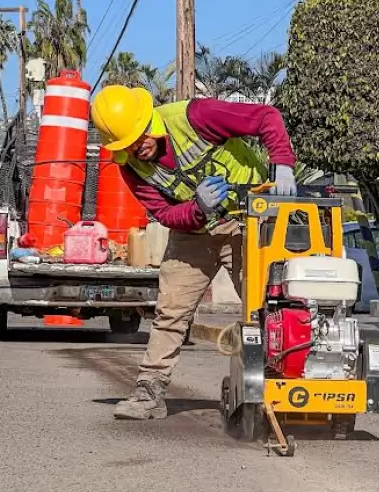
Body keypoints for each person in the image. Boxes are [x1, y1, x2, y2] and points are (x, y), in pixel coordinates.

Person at [90, 85, 298, 420]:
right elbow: (164, 213)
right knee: (170, 312)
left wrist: (282, 163)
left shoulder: (196, 116)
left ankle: (284, 384)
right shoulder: (130, 165)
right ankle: (149, 393)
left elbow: (266, 117)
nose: (135, 148)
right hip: (194, 233)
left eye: (138, 137)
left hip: (248, 222)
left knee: (268, 305)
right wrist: (198, 208)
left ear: (149, 121)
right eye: (125, 144)